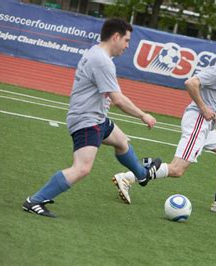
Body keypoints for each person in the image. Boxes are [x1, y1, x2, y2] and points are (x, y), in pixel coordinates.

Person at [22, 18, 161, 218]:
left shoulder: (95, 53)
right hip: (87, 121)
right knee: (82, 168)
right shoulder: (102, 61)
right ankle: (34, 201)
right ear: (115, 37)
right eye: (127, 40)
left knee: (121, 142)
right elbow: (119, 100)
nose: (127, 46)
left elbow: (99, 90)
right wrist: (143, 115)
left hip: (97, 118)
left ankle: (141, 175)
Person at [112, 46, 216, 216]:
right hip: (198, 122)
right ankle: (128, 177)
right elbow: (190, 83)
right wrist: (204, 108)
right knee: (177, 169)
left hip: (207, 126)